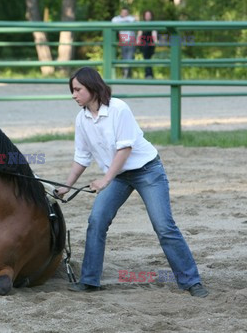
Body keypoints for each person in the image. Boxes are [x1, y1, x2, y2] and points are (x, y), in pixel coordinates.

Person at [55, 67, 209, 298]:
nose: (74, 94)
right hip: (118, 176)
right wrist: (67, 186)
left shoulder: (118, 108)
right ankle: (89, 280)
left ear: (92, 87)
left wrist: (105, 180)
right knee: (96, 220)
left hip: (147, 171)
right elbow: (82, 157)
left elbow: (125, 149)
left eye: (78, 89)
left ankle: (191, 281)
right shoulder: (82, 119)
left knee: (164, 226)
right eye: (72, 90)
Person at [112, 7, 136, 79]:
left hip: (131, 40)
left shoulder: (131, 18)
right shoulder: (117, 19)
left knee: (129, 57)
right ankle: (127, 74)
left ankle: (126, 74)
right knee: (124, 58)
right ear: (120, 13)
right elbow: (113, 21)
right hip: (123, 40)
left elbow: (134, 21)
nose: (124, 14)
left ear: (128, 13)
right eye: (123, 12)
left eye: (126, 12)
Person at [136, 10, 158, 79]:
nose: (147, 16)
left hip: (151, 44)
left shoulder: (153, 24)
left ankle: (148, 74)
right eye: (146, 15)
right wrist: (138, 40)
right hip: (144, 44)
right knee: (146, 58)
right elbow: (139, 33)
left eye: (149, 15)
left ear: (151, 16)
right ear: (144, 16)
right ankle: (149, 74)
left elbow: (154, 33)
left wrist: (155, 41)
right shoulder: (142, 24)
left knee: (148, 59)